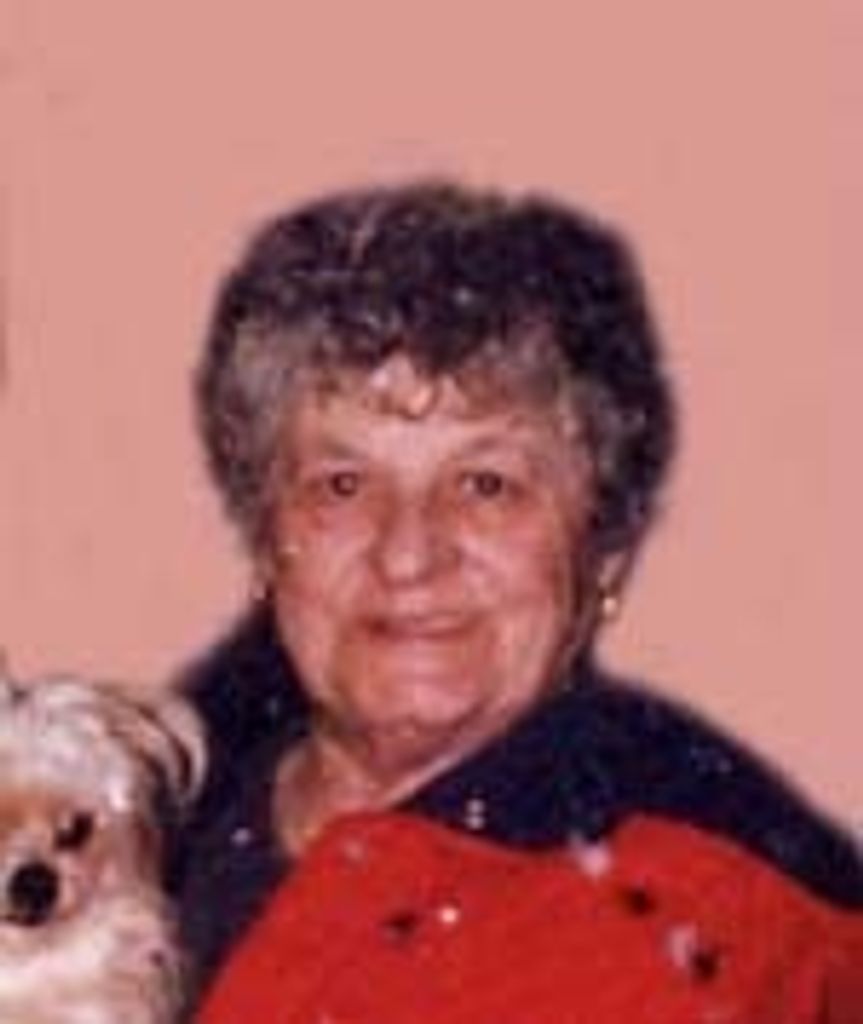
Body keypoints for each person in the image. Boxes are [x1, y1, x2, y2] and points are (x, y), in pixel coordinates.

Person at [169, 181, 862, 1021]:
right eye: (342, 485)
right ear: (263, 539)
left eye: (486, 485)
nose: (408, 554)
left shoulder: (734, 924)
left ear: (604, 551)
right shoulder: (124, 820)